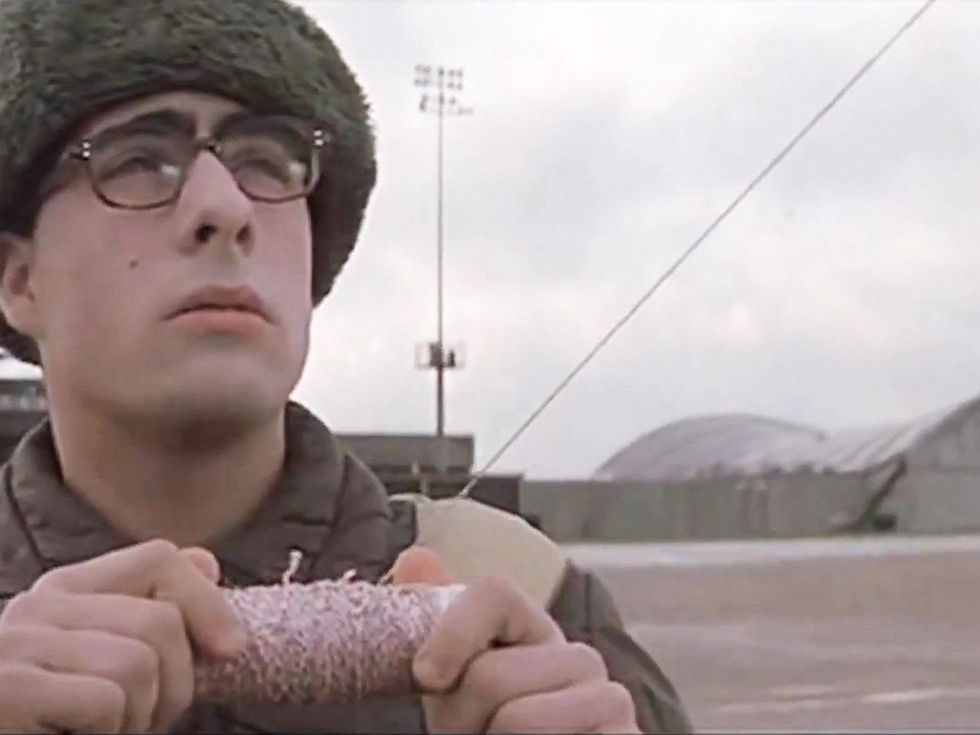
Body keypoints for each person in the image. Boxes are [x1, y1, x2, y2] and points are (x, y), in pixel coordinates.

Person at [0, 1, 691, 732]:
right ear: (18, 280)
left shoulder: (535, 611)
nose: (225, 205)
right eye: (137, 161)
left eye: (266, 162)